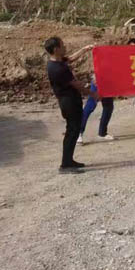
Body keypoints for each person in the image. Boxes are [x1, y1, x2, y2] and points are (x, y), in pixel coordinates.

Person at [44, 36, 93, 173]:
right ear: (56, 49)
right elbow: (76, 84)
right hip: (69, 102)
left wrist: (85, 49)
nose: (65, 47)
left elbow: (71, 58)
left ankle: (69, 160)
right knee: (72, 132)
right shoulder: (57, 68)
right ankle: (65, 165)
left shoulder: (57, 62)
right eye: (62, 45)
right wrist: (93, 94)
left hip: (71, 101)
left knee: (74, 130)